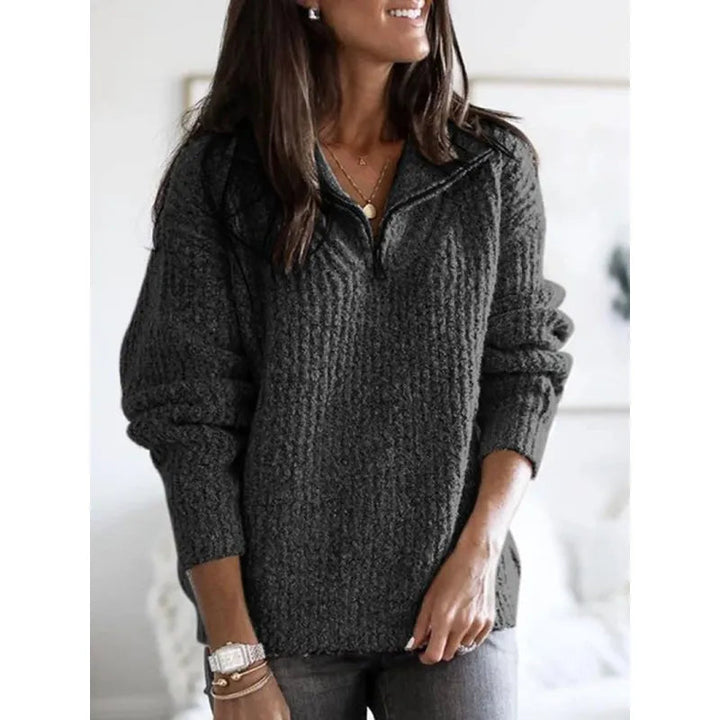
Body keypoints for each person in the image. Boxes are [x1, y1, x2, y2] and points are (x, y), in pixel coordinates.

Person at [118, 0, 575, 718]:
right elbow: (187, 419)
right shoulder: (221, 176)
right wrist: (233, 653)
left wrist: (480, 556)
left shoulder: (491, 166)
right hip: (280, 624)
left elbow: (525, 368)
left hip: (455, 608)